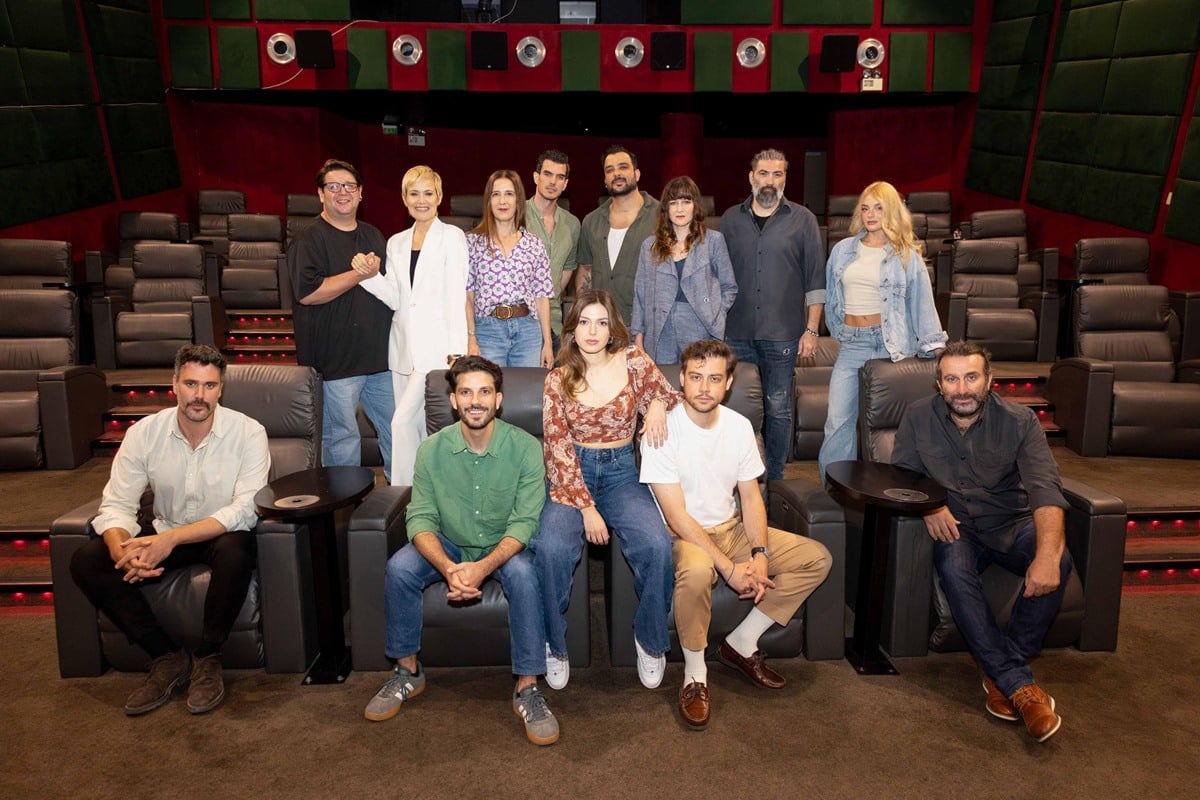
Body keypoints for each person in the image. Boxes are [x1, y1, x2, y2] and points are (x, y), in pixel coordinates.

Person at [364, 356, 559, 746]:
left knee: (525, 574)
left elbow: (524, 523)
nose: (475, 401)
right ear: (453, 400)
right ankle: (407, 671)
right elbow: (420, 518)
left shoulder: (524, 448)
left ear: (498, 399)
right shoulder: (431, 450)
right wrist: (449, 567)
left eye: (484, 392)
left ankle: (527, 687)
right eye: (466, 392)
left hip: (502, 543)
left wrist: (482, 567)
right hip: (450, 541)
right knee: (400, 568)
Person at [640, 339, 832, 729]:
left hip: (732, 530)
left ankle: (741, 643)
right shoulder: (662, 431)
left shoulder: (740, 427)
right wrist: (728, 569)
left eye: (714, 378)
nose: (704, 387)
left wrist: (760, 553)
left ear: (728, 383)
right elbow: (676, 516)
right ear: (682, 379)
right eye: (696, 377)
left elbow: (751, 496)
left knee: (817, 558)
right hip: (683, 537)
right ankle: (695, 674)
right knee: (698, 570)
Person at [69, 345, 269, 716]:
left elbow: (244, 510)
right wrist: (121, 551)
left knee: (237, 549)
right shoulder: (144, 433)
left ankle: (208, 656)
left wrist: (169, 541)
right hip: (165, 526)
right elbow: (117, 505)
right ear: (174, 384)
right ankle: (166, 657)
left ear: (221, 389)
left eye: (209, 386)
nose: (199, 395)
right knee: (87, 560)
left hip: (217, 533)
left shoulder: (248, 432)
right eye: (191, 384)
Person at [891, 341, 1071, 743]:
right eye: (952, 379)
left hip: (1010, 522)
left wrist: (1046, 556)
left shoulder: (1020, 421)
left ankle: (1003, 674)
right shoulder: (918, 416)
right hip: (955, 526)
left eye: (971, 377)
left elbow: (1045, 489)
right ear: (939, 384)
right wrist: (929, 506)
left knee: (1057, 559)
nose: (962, 389)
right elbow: (901, 476)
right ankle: (1020, 686)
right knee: (954, 569)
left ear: (989, 381)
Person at [532, 289, 676, 691]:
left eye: (601, 322)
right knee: (551, 548)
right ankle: (553, 643)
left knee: (656, 545)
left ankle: (649, 640)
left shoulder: (634, 360)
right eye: (584, 322)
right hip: (570, 475)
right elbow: (557, 448)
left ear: (612, 328)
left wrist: (657, 403)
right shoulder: (557, 379)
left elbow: (669, 394)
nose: (592, 331)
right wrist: (586, 508)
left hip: (621, 473)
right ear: (572, 329)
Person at [817, 180, 946, 482]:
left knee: (895, 428)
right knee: (837, 423)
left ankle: (896, 488)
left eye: (878, 208)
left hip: (892, 346)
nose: (871, 214)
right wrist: (841, 332)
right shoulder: (843, 251)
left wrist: (934, 350)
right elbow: (832, 298)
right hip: (852, 345)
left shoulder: (906, 255)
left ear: (891, 212)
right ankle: (836, 492)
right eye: (865, 208)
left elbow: (922, 303)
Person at [355, 165, 469, 487]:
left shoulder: (452, 237)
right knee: (416, 429)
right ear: (405, 199)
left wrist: (457, 354)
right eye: (414, 193)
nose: (422, 200)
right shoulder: (396, 242)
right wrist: (368, 275)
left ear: (440, 197)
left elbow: (456, 297)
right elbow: (395, 297)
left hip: (437, 353)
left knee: (400, 423)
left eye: (428, 193)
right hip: (403, 350)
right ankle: (428, 491)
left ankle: (403, 494)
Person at [721, 148, 825, 480]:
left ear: (785, 179)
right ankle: (738, 477)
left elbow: (815, 280)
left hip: (783, 334)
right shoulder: (730, 219)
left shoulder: (803, 220)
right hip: (736, 333)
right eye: (764, 173)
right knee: (735, 409)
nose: (770, 181)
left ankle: (775, 478)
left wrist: (812, 329)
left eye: (777, 174)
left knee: (778, 409)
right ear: (751, 177)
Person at [288, 158, 394, 480]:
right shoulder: (308, 238)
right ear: (321, 194)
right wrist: (359, 274)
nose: (342, 192)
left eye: (349, 186)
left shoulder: (374, 235)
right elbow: (308, 293)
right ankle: (346, 503)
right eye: (333, 186)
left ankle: (403, 496)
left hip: (381, 360)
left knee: (398, 431)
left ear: (360, 193)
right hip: (336, 364)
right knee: (342, 439)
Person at [631, 176, 738, 364]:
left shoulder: (713, 241)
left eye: (686, 202)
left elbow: (729, 287)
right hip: (660, 329)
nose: (679, 209)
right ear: (666, 209)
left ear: (695, 206)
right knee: (663, 382)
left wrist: (716, 315)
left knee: (698, 379)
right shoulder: (650, 246)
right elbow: (640, 294)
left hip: (701, 327)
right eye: (673, 203)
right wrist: (637, 336)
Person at [466, 169, 554, 368]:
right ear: (488, 201)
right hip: (487, 332)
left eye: (509, 194)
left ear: (518, 200)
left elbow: (542, 298)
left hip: (527, 332)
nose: (502, 201)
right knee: (489, 386)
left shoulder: (534, 245)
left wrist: (547, 343)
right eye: (496, 194)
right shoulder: (472, 243)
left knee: (526, 388)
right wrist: (471, 337)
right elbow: (467, 296)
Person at [575, 146, 661, 325]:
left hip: (647, 325)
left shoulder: (661, 216)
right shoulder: (591, 221)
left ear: (637, 174)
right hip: (601, 325)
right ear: (605, 180)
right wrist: (585, 319)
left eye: (623, 167)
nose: (616, 174)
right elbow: (585, 272)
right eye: (609, 170)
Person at [526, 149, 582, 352]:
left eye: (560, 177)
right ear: (536, 177)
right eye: (547, 174)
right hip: (523, 321)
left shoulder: (572, 224)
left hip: (555, 323)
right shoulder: (517, 215)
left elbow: (568, 267)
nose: (553, 182)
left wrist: (551, 295)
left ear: (565, 184)